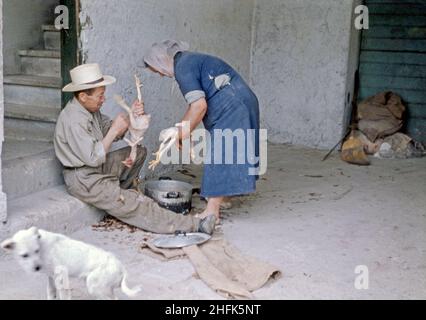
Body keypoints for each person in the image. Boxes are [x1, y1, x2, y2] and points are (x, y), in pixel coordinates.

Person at [54, 63, 216, 234]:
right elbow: (94, 157)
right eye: (100, 96)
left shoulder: (89, 110)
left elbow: (111, 130)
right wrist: (115, 129)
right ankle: (195, 225)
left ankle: (120, 195)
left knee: (138, 153)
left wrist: (131, 115)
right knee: (134, 201)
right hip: (83, 178)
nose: (103, 99)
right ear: (83, 96)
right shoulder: (74, 120)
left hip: (95, 168)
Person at [144, 40, 260, 222]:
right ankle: (225, 197)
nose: (159, 74)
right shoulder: (189, 61)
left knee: (221, 153)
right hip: (243, 99)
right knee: (232, 150)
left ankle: (212, 211)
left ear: (160, 61)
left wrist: (180, 132)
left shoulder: (182, 68)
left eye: (155, 69)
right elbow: (194, 109)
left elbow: (198, 106)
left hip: (232, 104)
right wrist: (184, 129)